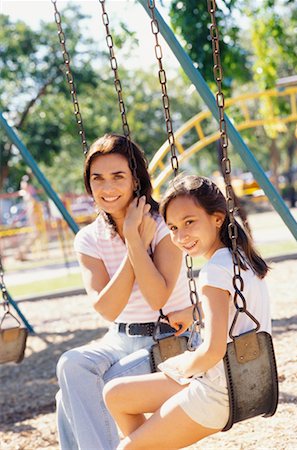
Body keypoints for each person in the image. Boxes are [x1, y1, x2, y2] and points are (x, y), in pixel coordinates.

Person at [103, 174, 271, 450]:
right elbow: (235, 308)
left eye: (189, 222)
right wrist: (194, 312)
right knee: (115, 395)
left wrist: (181, 365)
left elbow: (212, 351)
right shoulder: (239, 257)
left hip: (218, 392)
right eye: (172, 227)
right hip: (236, 378)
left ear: (217, 218)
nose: (181, 236)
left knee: (127, 448)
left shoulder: (213, 272)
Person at [56, 134, 194, 450]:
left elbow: (157, 297)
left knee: (70, 396)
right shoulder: (89, 239)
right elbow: (107, 308)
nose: (107, 188)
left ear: (136, 179)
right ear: (89, 185)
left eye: (118, 176)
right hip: (118, 339)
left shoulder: (164, 224)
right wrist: (133, 240)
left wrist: (134, 240)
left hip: (166, 340)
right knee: (70, 365)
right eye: (98, 179)